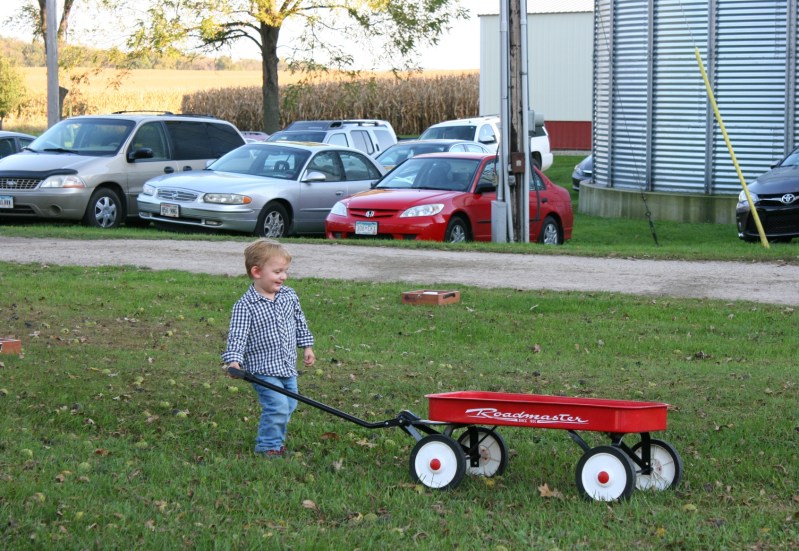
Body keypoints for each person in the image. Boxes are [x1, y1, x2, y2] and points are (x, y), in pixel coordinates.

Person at [222, 239, 316, 457]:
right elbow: (237, 336)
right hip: (262, 369)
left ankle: (275, 440)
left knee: (289, 404)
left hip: (287, 366)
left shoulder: (289, 296)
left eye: (285, 271)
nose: (283, 276)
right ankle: (268, 447)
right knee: (277, 406)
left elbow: (300, 322)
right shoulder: (245, 305)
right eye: (277, 272)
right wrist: (233, 361)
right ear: (257, 272)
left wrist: (307, 346)